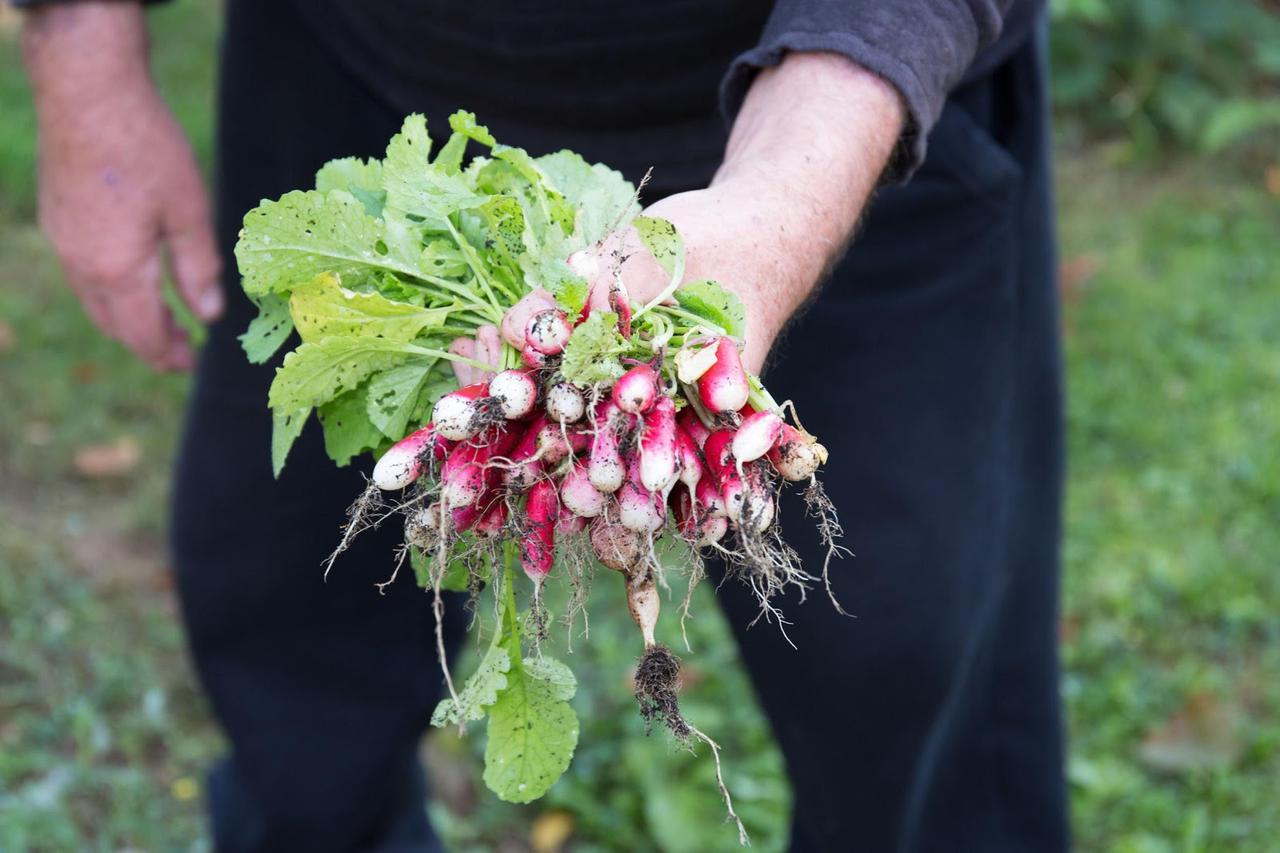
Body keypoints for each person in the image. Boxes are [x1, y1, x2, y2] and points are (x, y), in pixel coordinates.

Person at [18, 0, 1067, 850]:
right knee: (283, 589)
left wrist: (775, 207)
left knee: (913, 655)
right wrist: (83, 46)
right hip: (366, 88)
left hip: (846, 108)